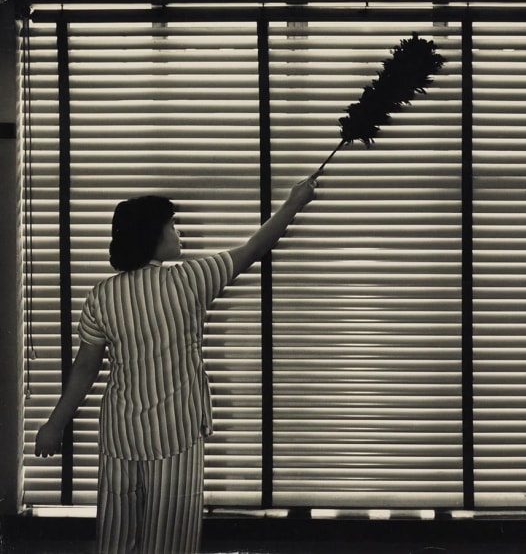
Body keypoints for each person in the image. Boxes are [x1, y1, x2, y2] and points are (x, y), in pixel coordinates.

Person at [34, 176, 317, 554]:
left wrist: (55, 425)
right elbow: (255, 247)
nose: (177, 232)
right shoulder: (191, 279)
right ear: (154, 234)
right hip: (176, 434)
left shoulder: (101, 295)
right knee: (170, 540)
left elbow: (85, 369)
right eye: (171, 225)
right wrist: (294, 202)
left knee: (117, 539)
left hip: (121, 433)